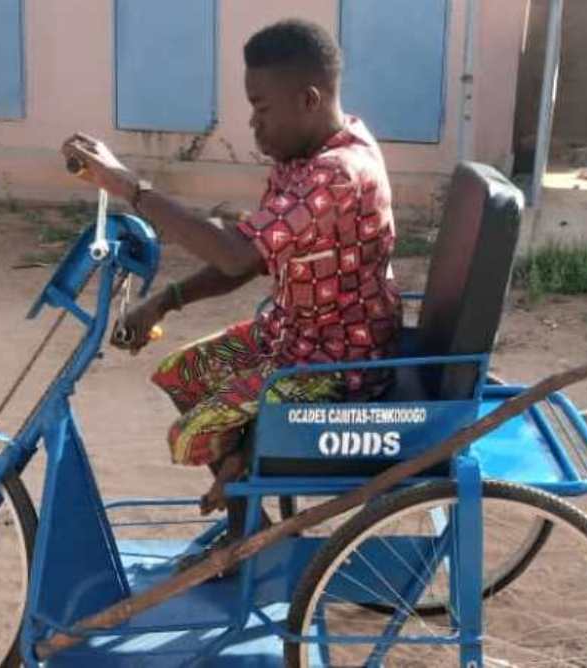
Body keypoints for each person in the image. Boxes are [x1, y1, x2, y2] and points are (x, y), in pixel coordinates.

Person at [62, 19, 401, 546]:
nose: (253, 125)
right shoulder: (302, 159)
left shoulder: (337, 172)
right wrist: (165, 303)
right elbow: (250, 260)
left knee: (196, 428)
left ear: (309, 99)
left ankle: (243, 505)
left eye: (262, 109)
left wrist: (126, 185)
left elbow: (234, 250)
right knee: (185, 372)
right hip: (293, 338)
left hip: (337, 365)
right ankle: (247, 518)